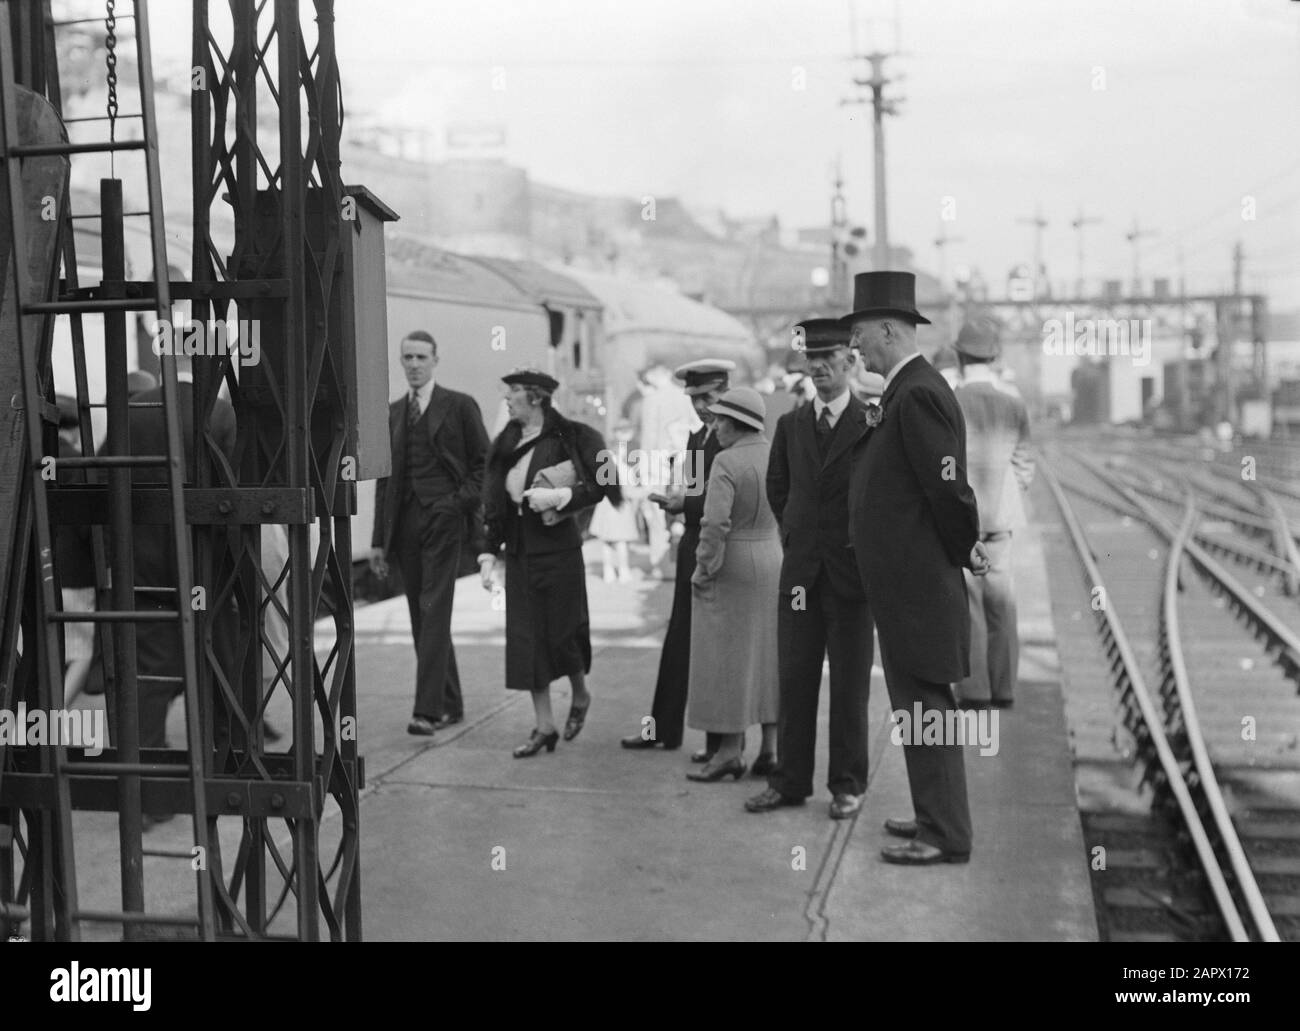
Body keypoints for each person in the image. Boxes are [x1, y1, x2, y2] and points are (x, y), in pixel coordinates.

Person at [844, 271, 989, 865]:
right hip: (906, 586)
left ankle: (947, 834)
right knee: (917, 707)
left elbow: (948, 487)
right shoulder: (904, 392)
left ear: (886, 329)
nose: (856, 348)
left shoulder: (920, 393)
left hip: (919, 586)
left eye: (859, 336)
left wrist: (964, 545)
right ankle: (933, 815)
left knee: (928, 708)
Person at [746, 320, 874, 819]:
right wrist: (798, 536)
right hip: (800, 575)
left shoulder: (871, 423)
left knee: (849, 686)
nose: (819, 367)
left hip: (851, 578)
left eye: (830, 357)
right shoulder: (792, 425)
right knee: (794, 680)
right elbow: (778, 488)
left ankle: (846, 785)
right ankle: (789, 781)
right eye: (811, 359)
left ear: (850, 361)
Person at [477, 367, 617, 758]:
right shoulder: (505, 443)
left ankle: (581, 694)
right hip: (521, 552)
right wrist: (489, 553)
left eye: (515, 393)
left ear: (536, 398)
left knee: (564, 633)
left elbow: (602, 483)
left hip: (559, 551)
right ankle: (544, 726)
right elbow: (495, 503)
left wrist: (560, 499)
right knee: (527, 640)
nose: (507, 399)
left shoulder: (574, 437)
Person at [370, 329, 489, 736]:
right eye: (408, 358)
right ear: (401, 362)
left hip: (444, 524)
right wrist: (377, 542)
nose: (415, 365)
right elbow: (385, 481)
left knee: (433, 611)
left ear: (436, 360)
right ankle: (451, 703)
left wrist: (455, 504)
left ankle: (427, 710)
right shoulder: (394, 412)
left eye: (422, 357)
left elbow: (483, 467)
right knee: (421, 616)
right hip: (405, 527)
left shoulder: (459, 406)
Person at [620, 359, 733, 757]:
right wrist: (678, 504)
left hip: (721, 552)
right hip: (693, 547)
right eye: (696, 399)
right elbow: (696, 490)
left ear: (726, 392)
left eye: (709, 397)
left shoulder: (735, 438)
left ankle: (719, 745)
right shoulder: (698, 437)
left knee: (716, 648)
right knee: (679, 639)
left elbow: (725, 499)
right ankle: (662, 728)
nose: (702, 406)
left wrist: (682, 501)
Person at [684, 387, 781, 782]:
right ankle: (771, 750)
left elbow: (715, 525)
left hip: (733, 563)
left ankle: (728, 752)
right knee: (768, 657)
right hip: (772, 557)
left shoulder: (725, 461)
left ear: (737, 423)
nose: (715, 424)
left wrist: (704, 568)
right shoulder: (775, 452)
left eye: (721, 419)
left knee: (728, 660)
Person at [951, 317, 1035, 709]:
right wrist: (1006, 497)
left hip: (961, 521)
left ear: (959, 356)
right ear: (995, 356)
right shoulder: (1014, 406)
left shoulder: (949, 402)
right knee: (1002, 604)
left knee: (968, 607)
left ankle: (974, 691)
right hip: (1001, 521)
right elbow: (1025, 466)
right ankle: (1004, 689)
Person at [637, 363, 695, 579]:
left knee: (656, 514)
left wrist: (644, 468)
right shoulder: (685, 396)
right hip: (688, 460)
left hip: (658, 460)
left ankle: (660, 565)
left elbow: (648, 436)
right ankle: (683, 562)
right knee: (688, 509)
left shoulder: (652, 400)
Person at [588, 421, 642, 583]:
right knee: (620, 541)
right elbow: (632, 483)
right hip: (619, 503)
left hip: (607, 502)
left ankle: (609, 571)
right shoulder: (627, 464)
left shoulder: (606, 459)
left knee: (607, 540)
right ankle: (622, 570)